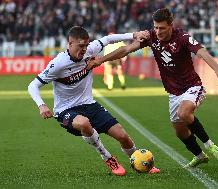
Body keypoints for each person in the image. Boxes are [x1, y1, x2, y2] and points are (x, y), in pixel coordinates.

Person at [87, 8, 218, 167]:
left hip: (192, 86)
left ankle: (209, 144)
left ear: (171, 25)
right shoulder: (151, 37)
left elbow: (203, 53)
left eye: (161, 28)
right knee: (180, 130)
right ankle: (199, 155)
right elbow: (126, 49)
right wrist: (101, 59)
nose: (157, 31)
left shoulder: (182, 37)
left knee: (184, 113)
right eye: (155, 27)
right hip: (173, 92)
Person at [28, 26, 160, 176]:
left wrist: (133, 34)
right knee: (84, 123)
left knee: (123, 136)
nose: (84, 49)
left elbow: (108, 39)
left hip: (90, 105)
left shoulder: (90, 50)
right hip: (65, 110)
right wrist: (42, 105)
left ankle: (138, 161)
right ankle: (108, 158)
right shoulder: (58, 64)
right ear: (70, 44)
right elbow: (33, 85)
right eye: (80, 46)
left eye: (86, 45)